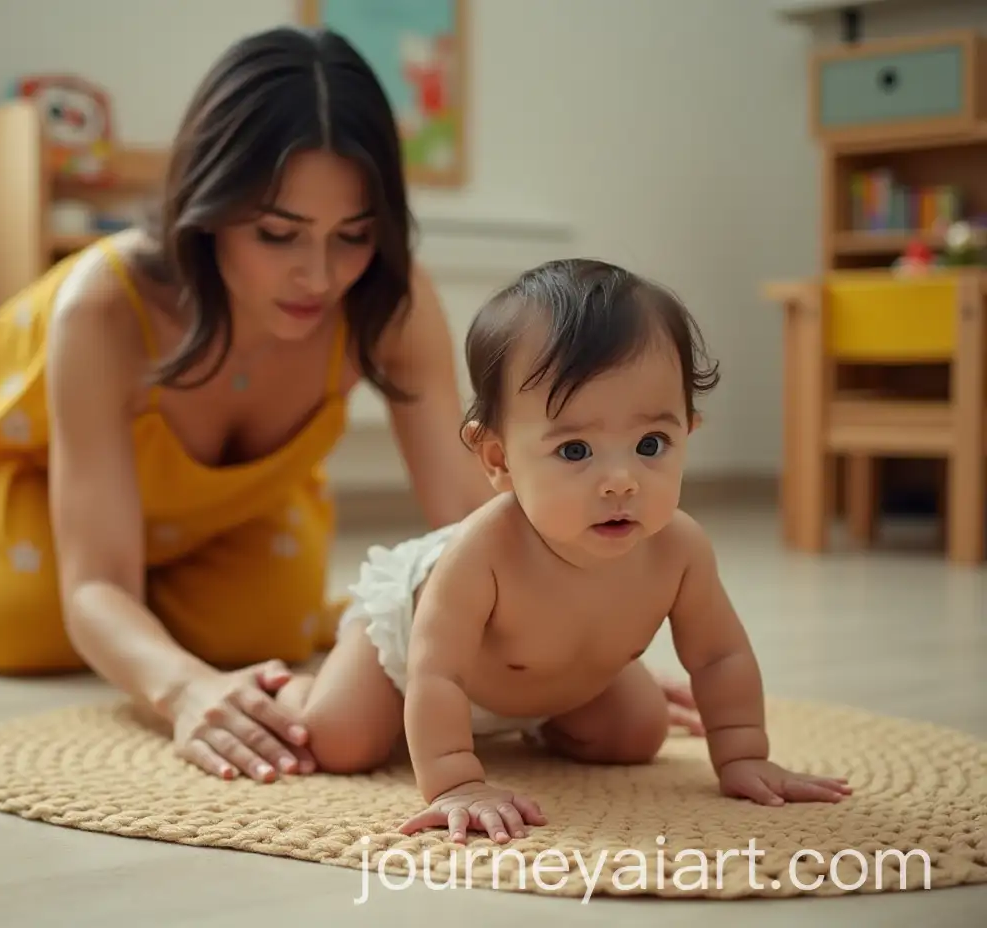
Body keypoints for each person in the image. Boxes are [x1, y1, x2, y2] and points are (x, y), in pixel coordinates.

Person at [0, 26, 698, 783]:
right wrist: (183, 690)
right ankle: (1, 583)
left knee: (261, 633)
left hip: (231, 507)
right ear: (208, 210)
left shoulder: (389, 298)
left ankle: (168, 603)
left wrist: (573, 648)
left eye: (353, 233)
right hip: (30, 479)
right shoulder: (103, 305)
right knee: (25, 628)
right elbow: (94, 580)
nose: (319, 276)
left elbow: (470, 506)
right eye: (278, 233)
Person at [277, 258, 853, 842]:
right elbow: (438, 671)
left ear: (689, 431)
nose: (621, 480)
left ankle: (538, 727)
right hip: (406, 655)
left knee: (635, 734)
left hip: (555, 683)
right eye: (576, 451)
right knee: (338, 739)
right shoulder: (482, 551)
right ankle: (305, 687)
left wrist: (744, 754)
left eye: (651, 443)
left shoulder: (679, 549)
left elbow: (718, 657)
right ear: (499, 460)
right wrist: (456, 781)